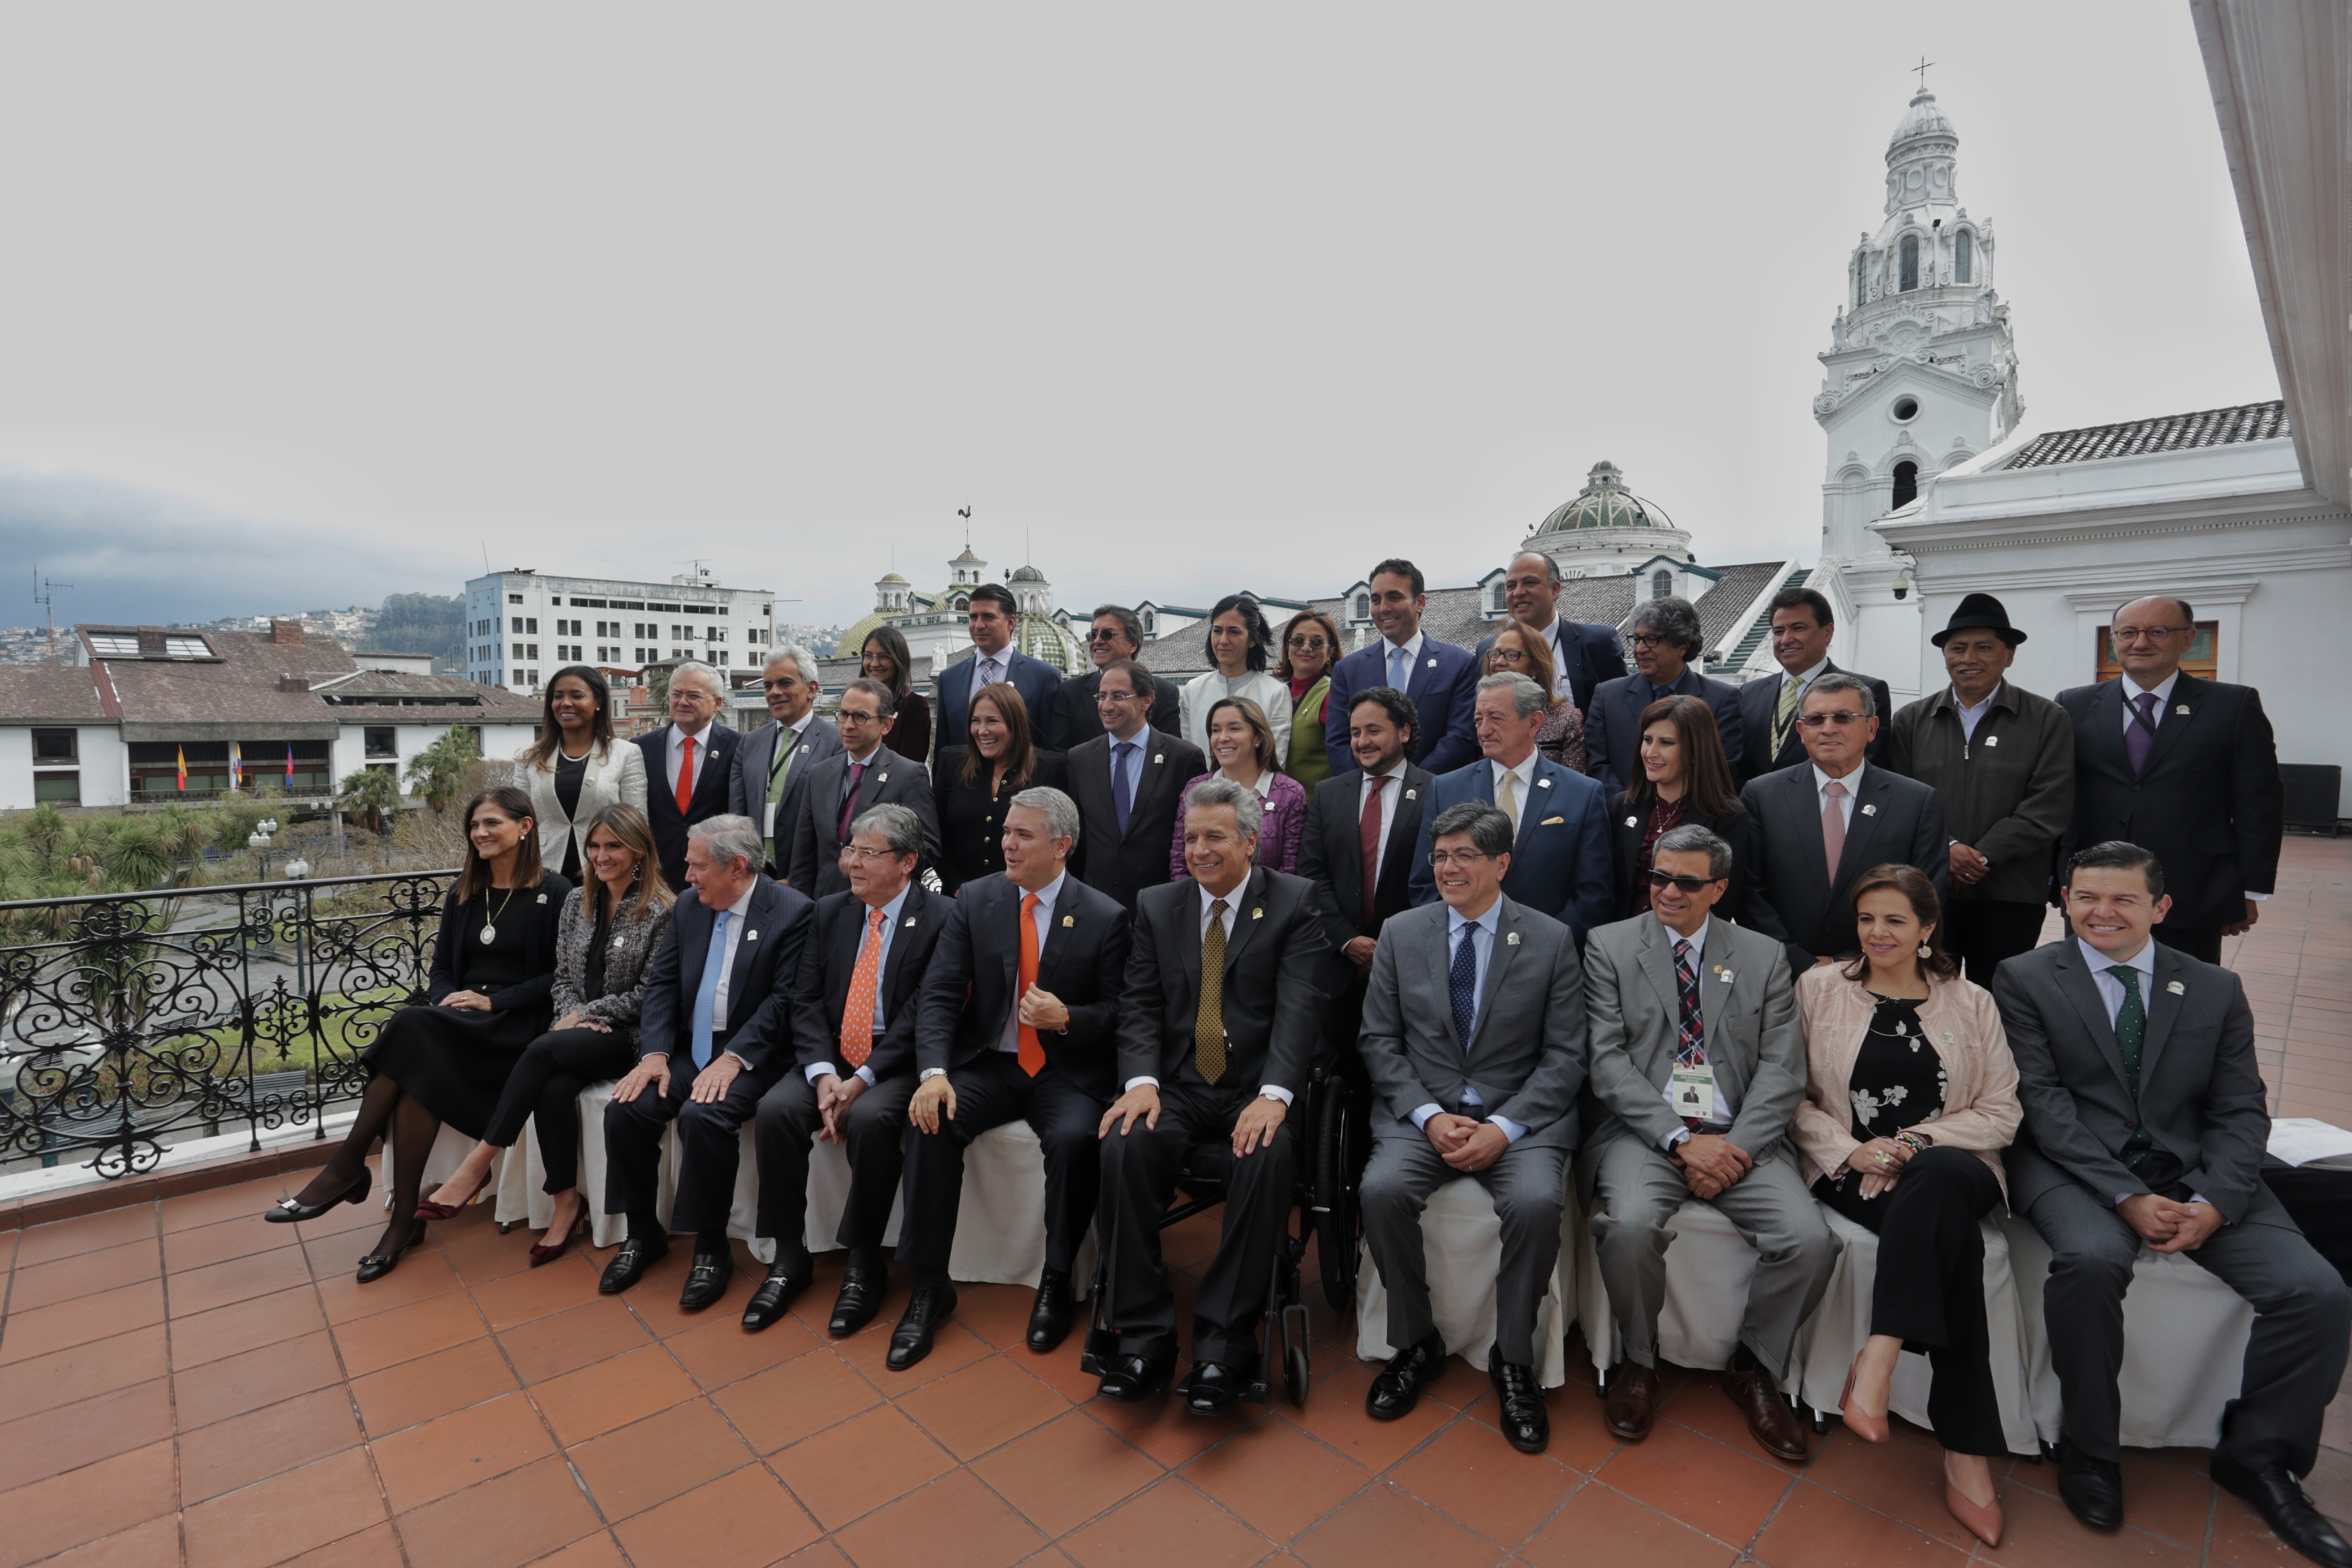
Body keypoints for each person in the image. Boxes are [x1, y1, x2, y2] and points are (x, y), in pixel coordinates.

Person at [1994, 842, 2352, 1562]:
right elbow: (2044, 1104)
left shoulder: (2213, 989)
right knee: (2090, 1261)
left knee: (2316, 1290)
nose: (2102, 912)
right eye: (2087, 896)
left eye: (2123, 899)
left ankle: (2257, 1456)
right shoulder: (2025, 976)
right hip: (2073, 1166)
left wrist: (2217, 1198)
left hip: (2194, 1170)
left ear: (2160, 907)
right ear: (2064, 899)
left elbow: (2241, 1109)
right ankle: (2090, 1450)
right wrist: (2125, 1194)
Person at [1579, 824, 1836, 1463]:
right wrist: (1678, 1141)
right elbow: (1607, 1063)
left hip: (1742, 1138)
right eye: (1660, 877)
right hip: (1647, 1134)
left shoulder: (1764, 955)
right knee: (1631, 1225)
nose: (1667, 891)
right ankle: (1640, 1361)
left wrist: (1737, 1149)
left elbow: (1783, 1070)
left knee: (1810, 1242)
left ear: (1718, 888)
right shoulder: (1609, 946)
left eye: (1686, 882)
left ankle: (1753, 1367)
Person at [1792, 864, 2021, 1547]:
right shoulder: (1820, 989)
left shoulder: (1971, 1000)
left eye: (1895, 920)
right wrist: (1853, 1151)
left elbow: (2002, 1110)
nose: (1878, 933)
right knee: (1959, 1242)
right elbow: (1789, 1096)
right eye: (1867, 919)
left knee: (1941, 1177)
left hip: (1957, 1162)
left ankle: (1881, 1355)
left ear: (1927, 929)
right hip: (1853, 1169)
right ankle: (1967, 1452)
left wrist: (1917, 1141)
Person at [263, 787, 571, 1282]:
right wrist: (450, 998)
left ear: (526, 827)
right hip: (462, 1021)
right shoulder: (463, 892)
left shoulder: (556, 893)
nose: (480, 834)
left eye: (492, 823)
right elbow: (443, 969)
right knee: (414, 1078)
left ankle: (347, 1168)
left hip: (515, 1028)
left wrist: (493, 1000)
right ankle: (401, 1221)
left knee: (408, 1027)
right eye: (474, 826)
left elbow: (561, 976)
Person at [1356, 802, 1586, 1455]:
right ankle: (1416, 1342)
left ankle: (1513, 1360)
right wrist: (1428, 1118)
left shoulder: (1550, 938)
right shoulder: (1402, 932)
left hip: (1520, 1117)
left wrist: (1506, 1129)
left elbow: (1567, 1055)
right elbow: (1378, 1040)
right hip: (1425, 1111)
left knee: (1537, 1203)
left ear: (1502, 864)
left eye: (1463, 856)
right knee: (1382, 1191)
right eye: (1440, 856)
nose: (1447, 868)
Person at [1094, 780, 1329, 1409]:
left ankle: (1226, 1345)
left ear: (1250, 842)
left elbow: (1300, 1009)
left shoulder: (1294, 902)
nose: (1199, 849)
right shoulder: (1157, 905)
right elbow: (1139, 1003)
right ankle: (1145, 1336)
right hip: (1180, 1085)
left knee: (1266, 1153)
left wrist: (1277, 1095)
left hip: (1256, 1085)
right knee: (1123, 1142)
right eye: (1191, 837)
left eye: (1215, 837)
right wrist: (1141, 1083)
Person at [889, 788, 1133, 1371]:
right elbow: (942, 994)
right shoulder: (976, 899)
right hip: (992, 1062)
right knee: (930, 1119)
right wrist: (934, 1072)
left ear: (1062, 845)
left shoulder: (1105, 916)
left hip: (1064, 1070)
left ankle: (1055, 1280)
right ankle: (929, 1285)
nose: (1007, 843)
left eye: (1023, 835)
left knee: (1076, 1140)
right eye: (1006, 832)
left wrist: (1069, 1017)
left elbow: (1125, 1013)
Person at [420, 805, 675, 1267]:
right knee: (552, 1088)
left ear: (639, 851)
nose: (601, 856)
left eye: (614, 846)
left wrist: (586, 1014)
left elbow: (650, 995)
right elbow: (560, 977)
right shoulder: (578, 901)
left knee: (542, 1052)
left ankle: (479, 1163)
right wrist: (569, 1015)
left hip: (631, 1038)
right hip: (577, 1031)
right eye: (595, 846)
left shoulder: (661, 911)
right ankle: (565, 1204)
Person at [596, 815, 815, 1312]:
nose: (688, 877)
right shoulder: (690, 909)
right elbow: (663, 987)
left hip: (754, 1054)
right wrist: (653, 1054)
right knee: (626, 1109)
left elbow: (785, 1000)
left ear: (737, 866)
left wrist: (735, 1057)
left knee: (704, 1115)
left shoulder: (794, 911)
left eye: (697, 866)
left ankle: (711, 1247)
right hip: (689, 1047)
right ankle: (643, 1233)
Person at [744, 805, 945, 1335]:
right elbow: (804, 1000)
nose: (851, 863)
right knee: (776, 1110)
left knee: (873, 1119)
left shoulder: (941, 917)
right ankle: (790, 1257)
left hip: (894, 1058)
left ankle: (864, 1262)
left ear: (907, 862)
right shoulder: (828, 911)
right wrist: (822, 1073)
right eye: (850, 850)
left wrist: (864, 1079)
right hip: (828, 1054)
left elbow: (924, 1013)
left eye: (867, 853)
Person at [2057, 594, 2284, 966]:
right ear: (2114, 641)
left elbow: (2259, 803)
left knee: (2184, 995)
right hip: (2097, 890)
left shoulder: (2233, 706)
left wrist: (2250, 889)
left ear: (2188, 638)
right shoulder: (2073, 705)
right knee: (2088, 991)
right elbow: (2061, 793)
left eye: (2157, 631)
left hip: (2194, 887)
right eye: (2128, 633)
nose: (2141, 642)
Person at [1882, 594, 2073, 983]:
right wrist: (1946, 849)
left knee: (2002, 999)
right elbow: (1896, 799)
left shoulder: (2047, 719)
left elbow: (2049, 804)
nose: (1969, 658)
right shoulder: (1911, 721)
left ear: (2010, 655)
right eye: (1958, 648)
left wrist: (1984, 856)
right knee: (1927, 993)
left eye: (1984, 647)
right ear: (1946, 656)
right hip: (1929, 891)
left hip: (2012, 891)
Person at [1739, 673, 1947, 973]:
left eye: (1843, 717)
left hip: (1880, 971)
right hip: (1783, 972)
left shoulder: (1917, 802)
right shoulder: (1761, 795)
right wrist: (1801, 963)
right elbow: (1749, 892)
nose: (1828, 729)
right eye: (1815, 719)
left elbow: (1928, 899)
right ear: (1800, 730)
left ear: (1872, 728)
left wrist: (1852, 961)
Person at [1409, 673, 1613, 938]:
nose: (1483, 731)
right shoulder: (1446, 789)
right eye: (1478, 720)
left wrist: (1548, 946)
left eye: (1496, 718)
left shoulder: (1582, 794)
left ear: (1534, 722)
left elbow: (1594, 894)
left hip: (1547, 954)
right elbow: (1425, 883)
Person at [1296, 688, 1432, 1066]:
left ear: (1404, 732)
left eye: (1374, 730)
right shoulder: (1328, 793)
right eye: (1355, 732)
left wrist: (1389, 946)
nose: (1362, 742)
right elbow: (1311, 874)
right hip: (1338, 970)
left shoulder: (1438, 791)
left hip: (1410, 967)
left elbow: (1441, 879)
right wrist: (1347, 940)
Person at [1064, 660, 1208, 910]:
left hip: (1162, 902)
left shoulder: (1183, 758)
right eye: (1102, 696)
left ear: (1147, 701)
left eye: (1119, 696)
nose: (1107, 706)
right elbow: (1080, 838)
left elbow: (1192, 835)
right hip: (1096, 903)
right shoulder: (1080, 758)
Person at [1321, 558, 1481, 778]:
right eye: (1376, 600)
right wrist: (1367, 785)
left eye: (1395, 597)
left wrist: (1412, 786)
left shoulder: (1459, 664)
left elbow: (1460, 737)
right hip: (1368, 797)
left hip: (1434, 794)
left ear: (1421, 602)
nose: (1384, 608)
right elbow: (1338, 742)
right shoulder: (1348, 670)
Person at [785, 677, 941, 900]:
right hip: (825, 906)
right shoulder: (819, 775)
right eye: (844, 715)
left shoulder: (908, 775)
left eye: (861, 717)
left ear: (886, 725)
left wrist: (872, 858)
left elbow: (928, 849)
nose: (849, 725)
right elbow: (803, 856)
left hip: (881, 904)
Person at [1610, 695, 1761, 925]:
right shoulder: (1621, 806)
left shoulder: (1728, 817)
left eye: (1667, 743)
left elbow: (1724, 902)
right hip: (1621, 943)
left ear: (1695, 751)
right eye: (1648, 740)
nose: (1651, 753)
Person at [1584, 596, 1746, 794]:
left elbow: (1722, 770)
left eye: (1652, 640)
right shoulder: (1607, 696)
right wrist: (1627, 810)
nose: (1640, 650)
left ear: (1683, 646)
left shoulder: (1722, 699)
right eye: (1637, 639)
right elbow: (1597, 765)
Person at [1733, 588, 1892, 784]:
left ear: (1828, 633)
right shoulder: (1747, 693)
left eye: (1798, 628)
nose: (1786, 639)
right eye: (1778, 631)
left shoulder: (1866, 690)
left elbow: (1870, 767)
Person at [511, 664, 648, 883]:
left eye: (577, 696)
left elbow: (637, 821)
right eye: (558, 696)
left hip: (607, 873)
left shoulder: (626, 754)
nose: (566, 703)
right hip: (543, 874)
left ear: (599, 702)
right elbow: (518, 822)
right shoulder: (529, 757)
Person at [933, 683, 1069, 894]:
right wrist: (956, 887)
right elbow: (936, 833)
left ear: (1015, 724)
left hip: (1025, 898)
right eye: (975, 721)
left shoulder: (1051, 768)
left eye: (992, 721)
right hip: (959, 900)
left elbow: (1059, 841)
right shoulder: (951, 762)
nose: (982, 731)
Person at [729, 647, 843, 875]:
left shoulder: (836, 744)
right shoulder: (749, 743)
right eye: (768, 686)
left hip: (809, 878)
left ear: (811, 689)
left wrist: (803, 878)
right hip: (756, 874)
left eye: (785, 683)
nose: (774, 692)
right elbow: (737, 816)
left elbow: (836, 824)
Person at [1475, 548, 1629, 714]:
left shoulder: (1598, 643)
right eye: (1511, 586)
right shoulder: (1488, 650)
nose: (1518, 592)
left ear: (1555, 589)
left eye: (1530, 583)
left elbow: (1621, 709)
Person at [1169, 697, 1307, 878]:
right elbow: (1180, 863)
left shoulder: (1290, 794)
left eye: (1234, 729)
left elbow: (1291, 869)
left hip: (1269, 904)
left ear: (1258, 737)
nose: (1223, 738)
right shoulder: (1195, 788)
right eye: (1216, 730)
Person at [634, 660, 741, 892]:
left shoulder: (739, 747)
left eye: (693, 695)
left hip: (715, 875)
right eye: (676, 694)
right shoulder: (640, 749)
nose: (682, 702)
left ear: (718, 703)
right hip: (656, 876)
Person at [934, 583, 1061, 752]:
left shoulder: (1043, 676)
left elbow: (1051, 748)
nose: (978, 625)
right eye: (973, 617)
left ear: (1010, 623)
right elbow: (943, 748)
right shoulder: (949, 679)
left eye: (988, 617)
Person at [1179, 595, 1294, 768]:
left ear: (1253, 639)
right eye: (1217, 631)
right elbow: (1189, 756)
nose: (1223, 640)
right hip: (1201, 791)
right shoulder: (1193, 690)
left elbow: (1275, 761)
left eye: (1234, 632)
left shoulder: (1275, 693)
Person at [1054, 605, 1182, 749]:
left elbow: (1171, 752)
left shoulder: (1164, 692)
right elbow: (1059, 754)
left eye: (1108, 635)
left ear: (1132, 645)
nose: (1097, 641)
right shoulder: (1069, 692)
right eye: (1093, 635)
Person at [1482, 621, 1586, 773]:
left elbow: (1574, 785)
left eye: (1512, 655)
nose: (1499, 662)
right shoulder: (1479, 718)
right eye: (1495, 654)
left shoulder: (1567, 720)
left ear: (1536, 668)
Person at [1276, 609, 1341, 793]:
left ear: (1330, 653)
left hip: (1316, 811)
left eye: (1317, 643)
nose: (1306, 648)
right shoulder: (1276, 693)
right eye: (1298, 641)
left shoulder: (1332, 696)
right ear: (1288, 647)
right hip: (1275, 810)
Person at [859, 626, 931, 765]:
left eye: (883, 657)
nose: (874, 664)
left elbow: (909, 765)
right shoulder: (855, 701)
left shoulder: (913, 706)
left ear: (899, 660)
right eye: (868, 655)